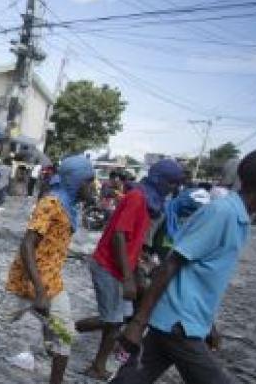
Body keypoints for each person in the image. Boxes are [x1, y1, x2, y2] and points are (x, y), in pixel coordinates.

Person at [110, 150, 256, 384]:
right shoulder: (223, 212)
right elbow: (171, 265)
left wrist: (208, 324)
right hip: (179, 324)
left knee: (134, 377)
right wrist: (138, 323)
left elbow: (199, 276)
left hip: (183, 321)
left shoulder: (239, 216)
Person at [0, 155, 95, 384]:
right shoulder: (51, 204)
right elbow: (27, 244)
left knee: (65, 333)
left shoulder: (69, 206)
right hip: (29, 281)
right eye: (88, 181)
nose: (92, 186)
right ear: (74, 181)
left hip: (52, 281)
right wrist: (40, 291)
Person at [75, 159, 184, 380]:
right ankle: (97, 365)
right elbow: (118, 236)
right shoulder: (137, 198)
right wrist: (127, 278)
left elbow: (133, 240)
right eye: (172, 183)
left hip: (120, 266)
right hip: (108, 265)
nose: (174, 188)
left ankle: (72, 329)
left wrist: (140, 265)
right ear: (161, 180)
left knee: (119, 317)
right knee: (114, 321)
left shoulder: (148, 201)